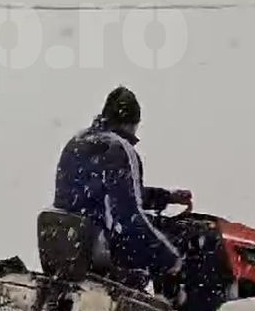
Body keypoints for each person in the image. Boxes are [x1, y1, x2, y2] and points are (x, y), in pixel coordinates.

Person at [54, 87, 191, 291]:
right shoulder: (118, 148)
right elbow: (127, 218)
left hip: (67, 245)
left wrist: (166, 197)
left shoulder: (77, 142)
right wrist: (170, 260)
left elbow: (105, 194)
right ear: (132, 124)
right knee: (184, 245)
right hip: (100, 249)